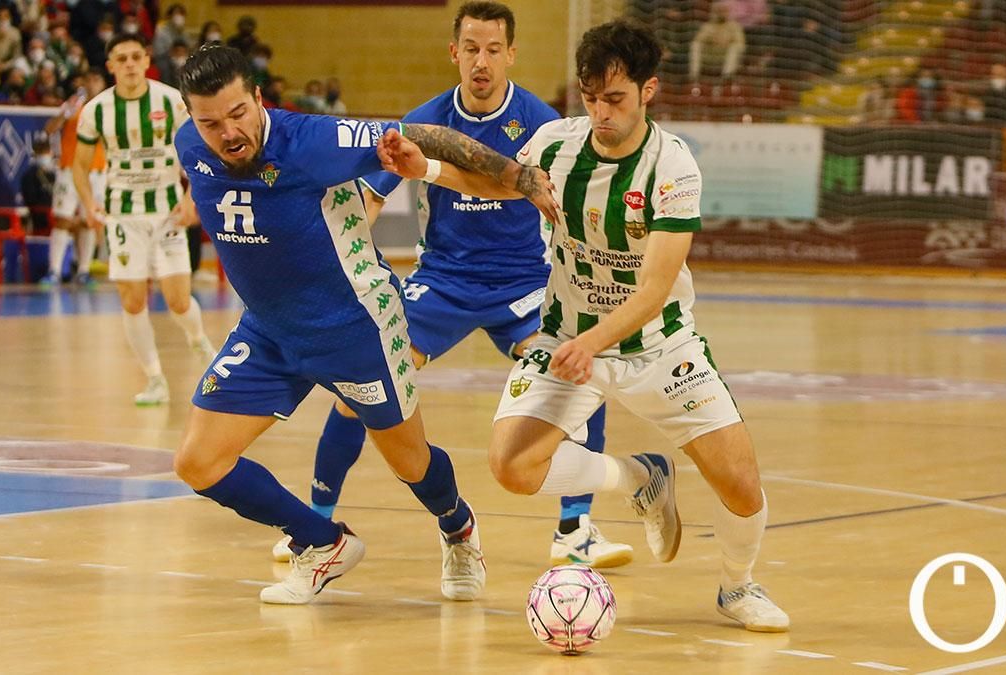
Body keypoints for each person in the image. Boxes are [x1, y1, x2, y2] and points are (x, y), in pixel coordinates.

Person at [383, 19, 790, 632]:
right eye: (592, 98)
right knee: (511, 467)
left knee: (741, 483)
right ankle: (638, 477)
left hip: (658, 346)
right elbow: (498, 182)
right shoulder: (555, 142)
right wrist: (429, 171)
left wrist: (593, 344)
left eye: (616, 100)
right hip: (565, 335)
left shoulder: (672, 167)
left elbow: (654, 288)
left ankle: (737, 588)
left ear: (648, 91)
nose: (601, 113)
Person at [171, 44, 556, 605]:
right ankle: (321, 541)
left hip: (356, 331)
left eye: (237, 114)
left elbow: (423, 136)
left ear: (259, 99)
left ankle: (458, 527)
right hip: (270, 331)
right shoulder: (190, 146)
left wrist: (514, 173)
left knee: (410, 461)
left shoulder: (311, 141)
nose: (227, 133)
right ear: (191, 119)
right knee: (197, 461)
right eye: (209, 122)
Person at [271, 1, 633, 571]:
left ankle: (575, 528)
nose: (481, 61)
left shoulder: (541, 123)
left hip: (523, 283)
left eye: (493, 49)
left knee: (578, 372)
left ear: (512, 53)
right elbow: (366, 201)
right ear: (454, 52)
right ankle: (318, 523)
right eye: (471, 49)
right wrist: (323, 260)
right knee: (357, 389)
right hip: (443, 281)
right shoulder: (424, 121)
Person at [73, 33, 216, 405]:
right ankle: (155, 379)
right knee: (133, 301)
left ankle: (199, 341)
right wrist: (88, 203)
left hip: (168, 212)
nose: (130, 64)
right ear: (111, 66)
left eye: (136, 56)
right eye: (122, 59)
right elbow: (80, 164)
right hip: (123, 216)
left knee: (178, 301)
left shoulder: (171, 101)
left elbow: (199, 154)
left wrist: (190, 197)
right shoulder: (96, 110)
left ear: (147, 59)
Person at [42, 69, 107, 286]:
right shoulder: (72, 105)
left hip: (97, 171)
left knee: (89, 220)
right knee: (63, 219)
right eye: (89, 79)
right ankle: (54, 270)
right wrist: (65, 113)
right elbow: (49, 129)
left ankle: (84, 270)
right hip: (69, 169)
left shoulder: (108, 107)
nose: (92, 83)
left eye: (96, 79)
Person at [688, 3, 744, 82]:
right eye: (719, 11)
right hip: (710, 54)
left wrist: (727, 42)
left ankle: (727, 76)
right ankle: (694, 75)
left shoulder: (734, 26)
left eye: (724, 11)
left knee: (735, 47)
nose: (722, 14)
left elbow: (741, 43)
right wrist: (710, 39)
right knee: (695, 45)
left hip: (725, 54)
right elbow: (698, 40)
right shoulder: (708, 25)